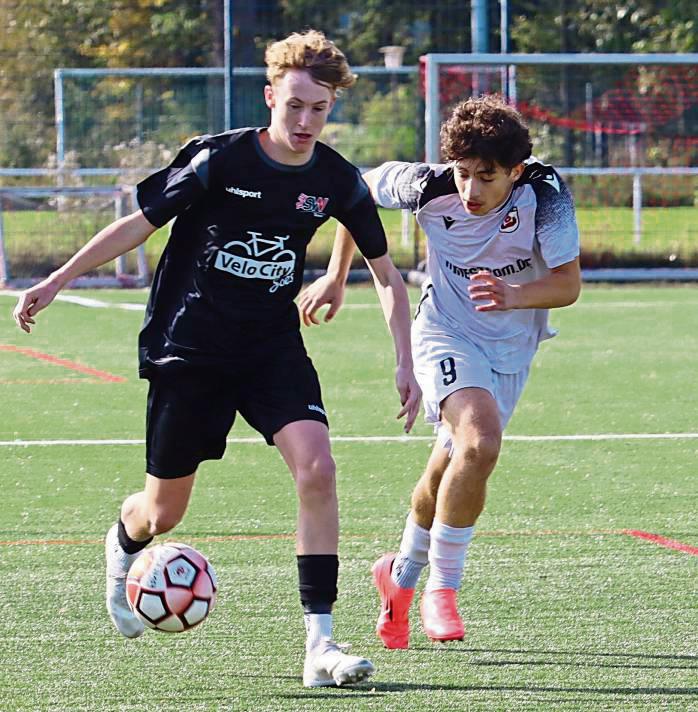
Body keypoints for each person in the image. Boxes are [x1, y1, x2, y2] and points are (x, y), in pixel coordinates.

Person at [12, 30, 420, 686]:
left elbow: (386, 272)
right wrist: (56, 279)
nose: (305, 120)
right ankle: (124, 541)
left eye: (319, 109)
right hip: (190, 348)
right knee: (162, 512)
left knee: (317, 469)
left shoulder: (335, 180)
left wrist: (404, 362)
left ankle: (320, 645)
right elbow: (138, 222)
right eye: (294, 106)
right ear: (270, 97)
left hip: (270, 347)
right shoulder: (219, 161)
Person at [299, 94, 581, 649]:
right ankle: (442, 590)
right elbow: (351, 194)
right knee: (480, 444)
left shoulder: (545, 196)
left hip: (513, 341)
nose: (470, 190)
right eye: (463, 173)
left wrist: (514, 293)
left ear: (515, 172)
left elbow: (568, 286)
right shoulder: (423, 184)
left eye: (487, 177)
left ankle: (400, 577)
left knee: (450, 465)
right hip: (444, 331)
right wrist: (336, 275)